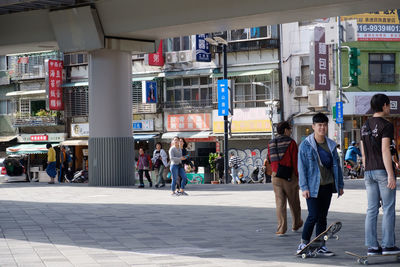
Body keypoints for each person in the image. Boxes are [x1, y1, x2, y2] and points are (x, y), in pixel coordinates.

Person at [297, 113, 344, 256]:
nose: (322, 128)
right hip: (312, 187)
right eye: (319, 125)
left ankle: (321, 245)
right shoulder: (305, 145)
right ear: (313, 126)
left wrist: (340, 185)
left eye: (324, 125)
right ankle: (304, 243)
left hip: (327, 185)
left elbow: (337, 165)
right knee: (313, 215)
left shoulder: (330, 144)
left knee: (323, 217)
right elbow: (302, 167)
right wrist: (304, 187)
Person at [360, 93, 400, 256]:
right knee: (389, 208)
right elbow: (385, 149)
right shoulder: (386, 125)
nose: (389, 108)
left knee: (372, 210)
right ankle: (388, 245)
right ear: (383, 105)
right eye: (388, 105)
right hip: (382, 171)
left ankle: (372, 246)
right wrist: (391, 175)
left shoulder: (365, 125)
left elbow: (363, 153)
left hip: (368, 171)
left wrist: (367, 168)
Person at [268, 121, 303, 236]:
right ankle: (296, 223)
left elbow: (269, 159)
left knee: (280, 203)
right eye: (290, 129)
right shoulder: (291, 142)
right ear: (285, 130)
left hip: (275, 176)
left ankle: (281, 228)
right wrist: (298, 176)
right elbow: (295, 160)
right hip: (289, 175)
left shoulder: (271, 143)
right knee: (294, 202)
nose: (291, 131)